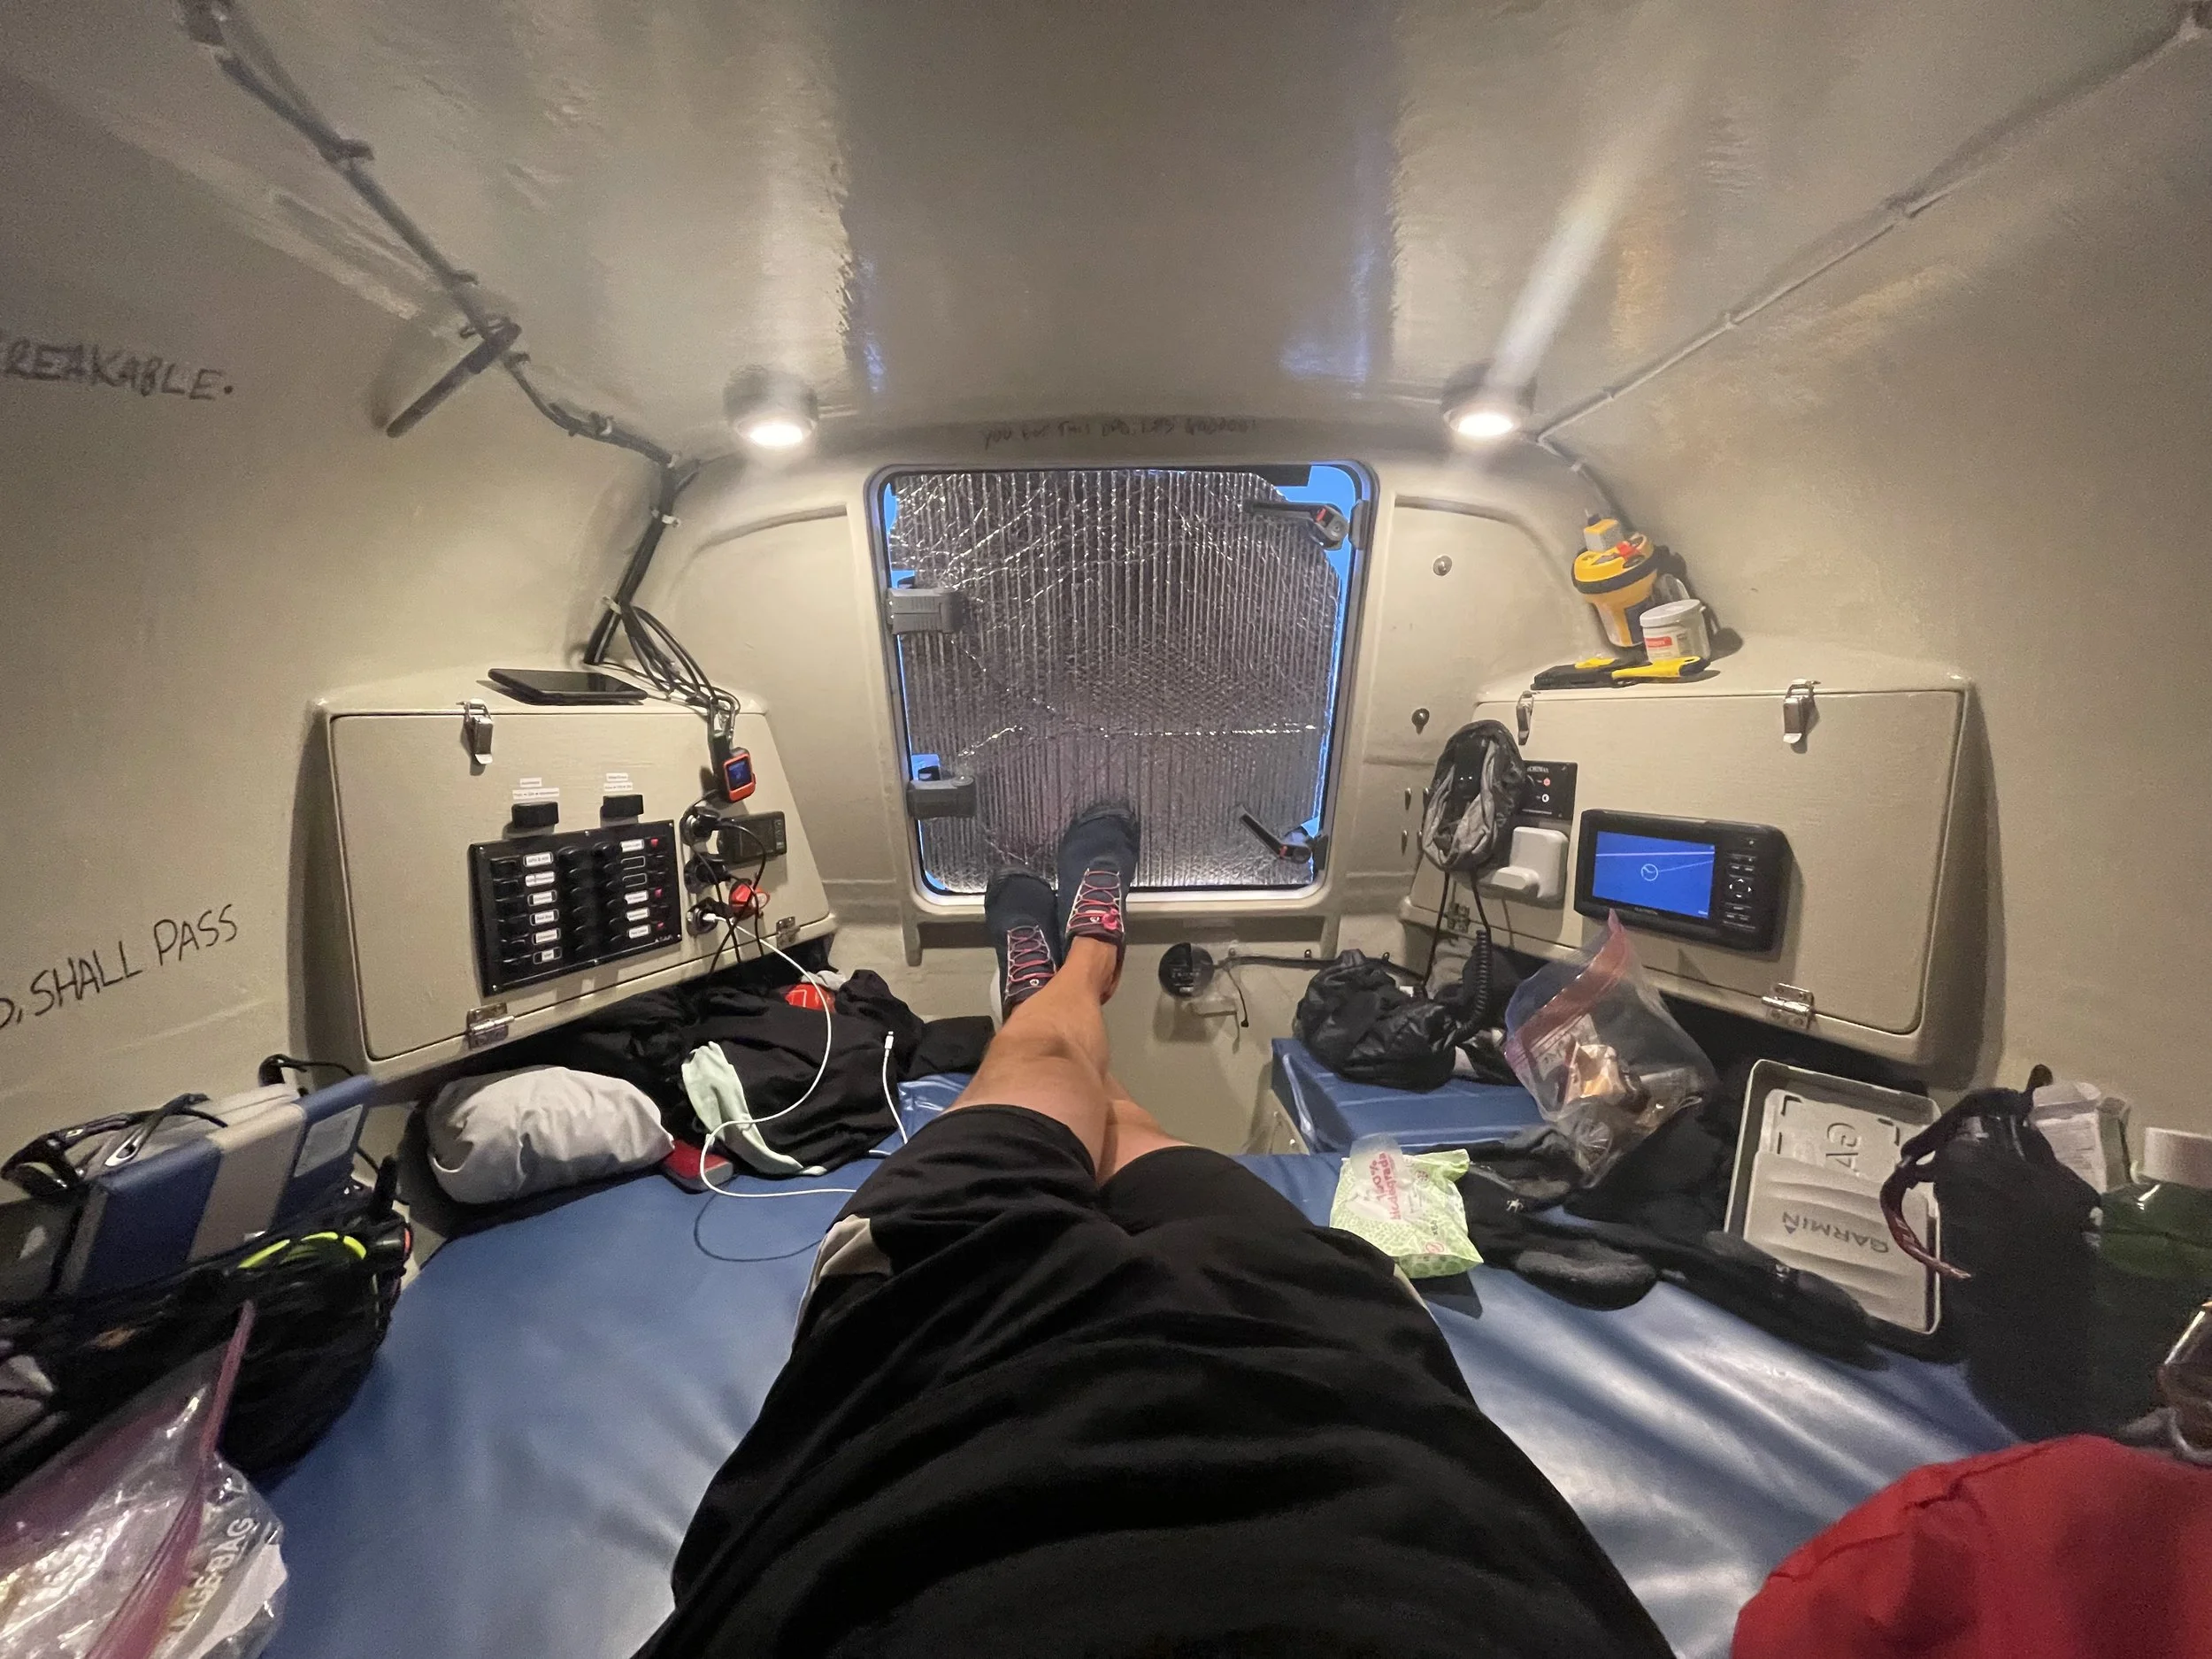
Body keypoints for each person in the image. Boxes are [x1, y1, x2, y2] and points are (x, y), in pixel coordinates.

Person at [637, 806, 1669, 1659]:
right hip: (1314, 1357)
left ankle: (1054, 985)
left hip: (943, 1331)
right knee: (1124, 1122)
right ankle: (1077, 968)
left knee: (1042, 1075)